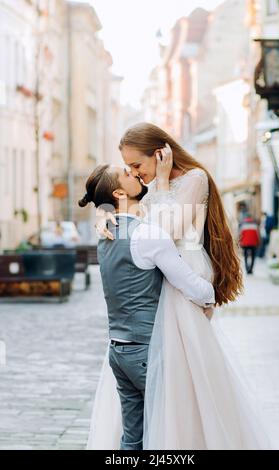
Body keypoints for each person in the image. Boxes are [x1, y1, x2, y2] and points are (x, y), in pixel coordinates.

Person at [89, 122, 271, 450]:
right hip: (160, 276)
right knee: (157, 377)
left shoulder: (193, 179)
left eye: (136, 165)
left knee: (185, 375)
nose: (135, 173)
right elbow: (135, 222)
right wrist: (106, 216)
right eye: (129, 169)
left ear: (160, 154)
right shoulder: (145, 190)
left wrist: (158, 182)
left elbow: (168, 229)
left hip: (183, 272)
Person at [79, 164, 215, 450]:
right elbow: (188, 284)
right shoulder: (148, 236)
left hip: (117, 350)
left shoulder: (106, 236)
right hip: (146, 350)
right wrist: (210, 293)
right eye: (128, 174)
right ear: (118, 192)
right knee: (167, 435)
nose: (136, 175)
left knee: (133, 439)